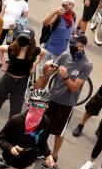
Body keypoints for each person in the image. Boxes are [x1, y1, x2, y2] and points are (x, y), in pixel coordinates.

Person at [37, 31, 92, 160]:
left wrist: (65, 76)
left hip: (66, 104)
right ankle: (41, 150)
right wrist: (46, 68)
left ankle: (54, 156)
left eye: (74, 44)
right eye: (70, 43)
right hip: (52, 98)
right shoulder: (65, 55)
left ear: (82, 46)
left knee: (59, 132)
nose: (71, 46)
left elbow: (74, 88)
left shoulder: (87, 64)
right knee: (43, 126)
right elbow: (47, 74)